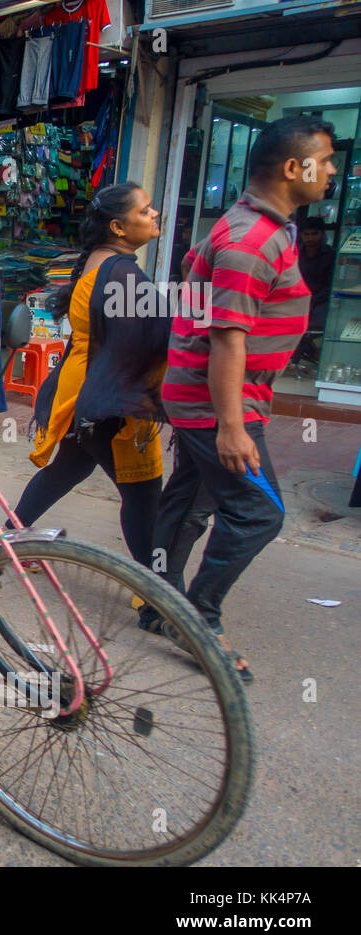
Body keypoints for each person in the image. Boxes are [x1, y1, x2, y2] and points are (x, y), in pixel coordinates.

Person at [143, 115, 336, 684]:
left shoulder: (251, 226)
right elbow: (230, 338)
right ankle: (197, 618)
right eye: (323, 161)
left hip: (208, 396)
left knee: (186, 505)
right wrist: (232, 427)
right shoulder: (252, 238)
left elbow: (190, 269)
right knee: (258, 514)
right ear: (291, 167)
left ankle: (159, 604)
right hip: (218, 405)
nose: (329, 172)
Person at [10, 183, 170, 567]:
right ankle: (160, 592)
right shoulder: (121, 273)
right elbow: (148, 339)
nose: (155, 214)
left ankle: (8, 542)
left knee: (68, 469)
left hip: (84, 387)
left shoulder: (101, 262)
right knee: (143, 492)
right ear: (118, 227)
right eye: (145, 210)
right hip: (106, 395)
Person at [292, 215, 335, 364]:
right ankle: (299, 357)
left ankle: (308, 355)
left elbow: (331, 285)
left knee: (315, 325)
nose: (310, 238)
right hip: (297, 298)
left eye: (314, 234)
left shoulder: (330, 255)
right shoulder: (295, 254)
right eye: (306, 234)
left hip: (321, 301)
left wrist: (312, 300)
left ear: (322, 234)